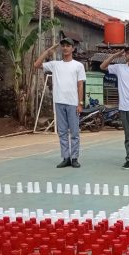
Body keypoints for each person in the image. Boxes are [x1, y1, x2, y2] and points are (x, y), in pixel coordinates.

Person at [33, 38, 86, 168]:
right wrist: (48, 51)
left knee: (74, 132)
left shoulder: (78, 65)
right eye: (63, 46)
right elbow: (37, 65)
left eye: (68, 46)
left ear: (73, 48)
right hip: (59, 101)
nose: (65, 48)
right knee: (62, 132)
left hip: (73, 103)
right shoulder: (55, 64)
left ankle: (74, 158)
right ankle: (65, 157)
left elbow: (80, 86)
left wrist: (80, 103)